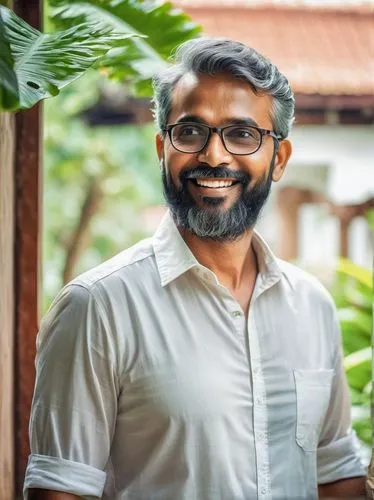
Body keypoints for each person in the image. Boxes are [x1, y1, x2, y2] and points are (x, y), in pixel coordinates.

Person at [25, 37, 366, 500]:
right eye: (190, 132)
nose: (214, 156)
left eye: (242, 134)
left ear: (279, 159)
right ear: (162, 147)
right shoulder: (98, 308)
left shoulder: (312, 306)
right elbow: (60, 491)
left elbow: (336, 474)